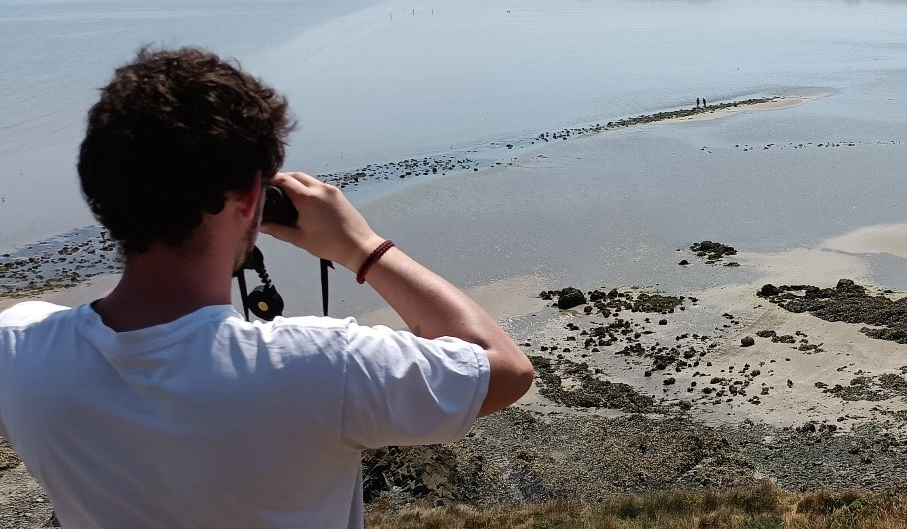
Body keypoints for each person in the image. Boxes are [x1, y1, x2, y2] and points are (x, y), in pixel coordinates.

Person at [0, 47, 533, 527]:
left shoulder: (18, 350)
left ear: (97, 187)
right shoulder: (325, 366)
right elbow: (505, 370)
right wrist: (362, 247)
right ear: (252, 198)